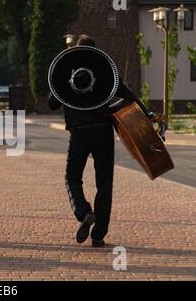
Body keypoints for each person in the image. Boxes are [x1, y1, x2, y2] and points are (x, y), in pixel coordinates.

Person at [49, 35, 150, 248]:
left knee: (72, 177)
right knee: (104, 183)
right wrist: (142, 114)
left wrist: (62, 84)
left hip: (79, 131)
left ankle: (84, 212)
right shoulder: (105, 70)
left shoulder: (67, 69)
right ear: (95, 52)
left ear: (76, 50)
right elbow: (130, 97)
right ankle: (99, 235)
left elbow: (52, 104)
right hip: (103, 129)